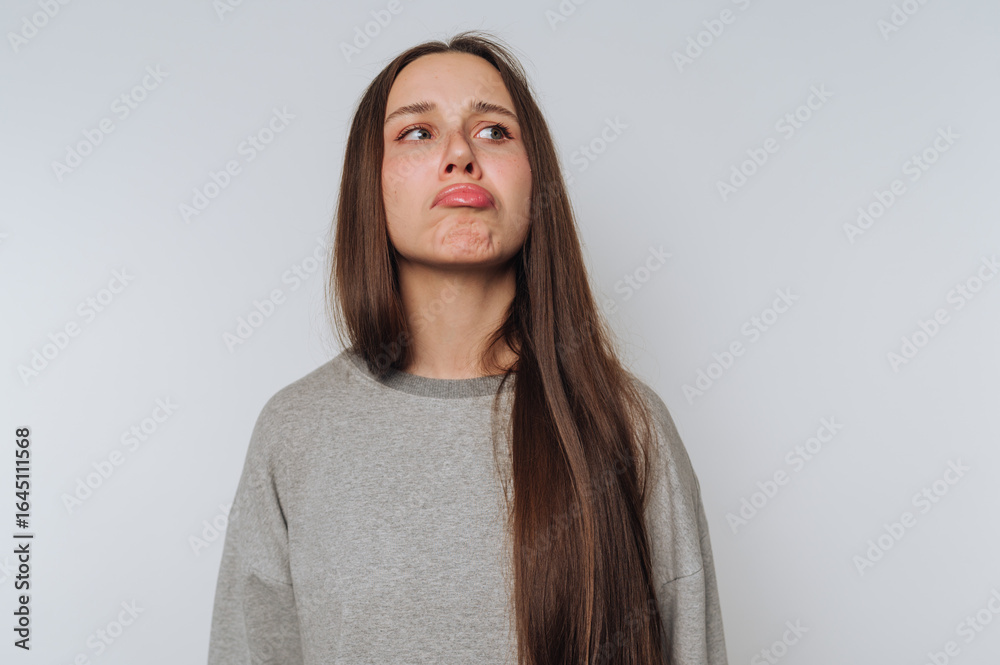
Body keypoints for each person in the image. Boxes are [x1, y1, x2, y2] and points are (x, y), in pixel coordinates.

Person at [207, 30, 728, 665]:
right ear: (370, 187)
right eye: (417, 133)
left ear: (538, 182)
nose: (460, 153)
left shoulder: (627, 422)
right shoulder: (294, 431)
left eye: (493, 131)